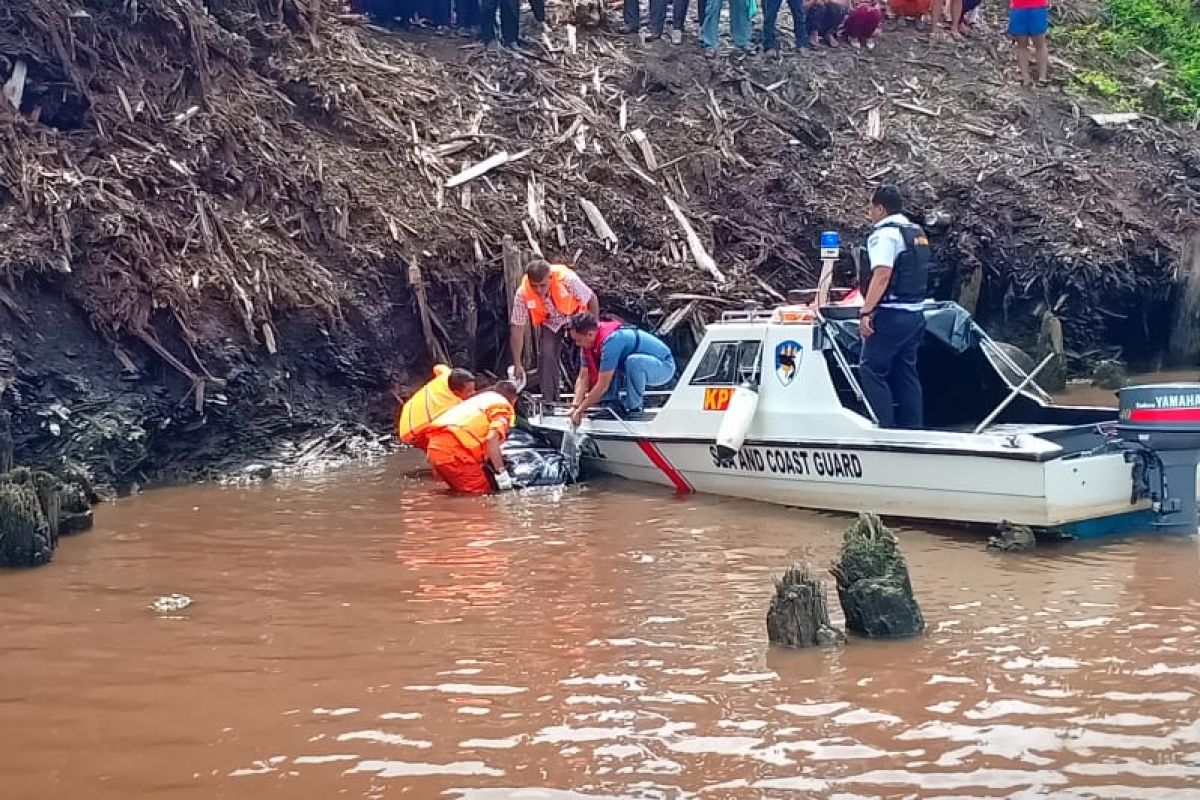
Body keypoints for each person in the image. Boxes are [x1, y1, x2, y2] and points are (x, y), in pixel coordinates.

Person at [857, 185, 931, 429]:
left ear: (880, 208)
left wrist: (866, 311)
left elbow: (882, 275)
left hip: (892, 315)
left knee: (871, 369)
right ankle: (913, 428)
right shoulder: (915, 231)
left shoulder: (885, 235)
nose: (869, 213)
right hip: (916, 314)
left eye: (871, 207)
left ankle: (885, 429)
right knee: (905, 371)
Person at [510, 259, 599, 402]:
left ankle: (593, 394)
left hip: (575, 316)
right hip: (551, 321)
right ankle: (550, 400)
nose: (539, 290)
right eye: (535, 286)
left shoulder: (568, 280)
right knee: (546, 353)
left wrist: (595, 331)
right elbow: (517, 327)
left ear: (550, 278)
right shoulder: (522, 293)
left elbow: (592, 299)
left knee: (588, 352)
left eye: (542, 285)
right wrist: (517, 363)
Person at [566, 313, 675, 425]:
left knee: (633, 362)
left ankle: (635, 408)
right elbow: (583, 377)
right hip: (637, 368)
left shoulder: (611, 341)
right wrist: (575, 406)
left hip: (663, 367)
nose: (577, 344)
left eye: (578, 340)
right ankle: (611, 404)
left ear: (590, 334)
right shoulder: (587, 344)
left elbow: (603, 385)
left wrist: (581, 410)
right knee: (612, 367)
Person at [425, 380, 521, 494]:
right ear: (513, 400)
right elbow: (491, 439)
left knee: (454, 494)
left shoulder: (479, 401)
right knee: (480, 495)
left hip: (434, 448)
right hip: (455, 453)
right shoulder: (501, 407)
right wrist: (502, 473)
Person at [396, 365, 477, 450]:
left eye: (473, 389)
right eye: (469, 391)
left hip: (408, 409)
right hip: (413, 430)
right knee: (444, 447)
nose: (473, 393)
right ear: (456, 392)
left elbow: (438, 367)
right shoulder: (452, 408)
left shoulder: (447, 375)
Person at [1008, 0, 1049, 86]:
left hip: (1037, 6)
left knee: (1039, 43)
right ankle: (1025, 77)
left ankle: (1042, 77)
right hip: (1018, 7)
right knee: (1022, 44)